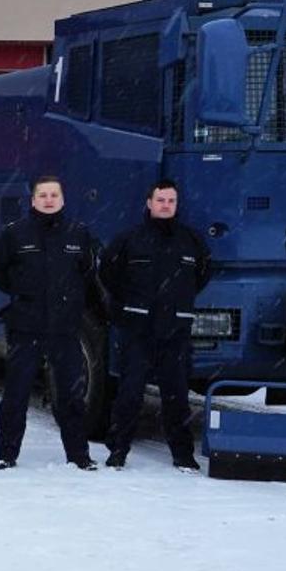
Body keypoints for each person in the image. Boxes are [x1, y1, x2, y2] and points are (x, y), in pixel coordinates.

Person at [0, 176, 102, 471]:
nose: (49, 200)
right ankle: (7, 453)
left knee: (71, 396)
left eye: (54, 195)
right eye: (43, 195)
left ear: (63, 200)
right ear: (33, 200)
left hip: (65, 329)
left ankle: (78, 455)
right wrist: (24, 292)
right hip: (26, 326)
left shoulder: (79, 234)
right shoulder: (15, 234)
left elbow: (88, 274)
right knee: (16, 393)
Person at [101, 179, 213, 473]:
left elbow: (202, 275)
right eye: (161, 200)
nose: (166, 206)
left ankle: (182, 454)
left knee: (176, 395)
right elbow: (108, 272)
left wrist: (177, 304)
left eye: (171, 201)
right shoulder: (130, 239)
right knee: (130, 392)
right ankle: (118, 450)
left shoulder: (191, 241)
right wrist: (128, 306)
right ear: (149, 203)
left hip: (175, 331)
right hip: (138, 329)